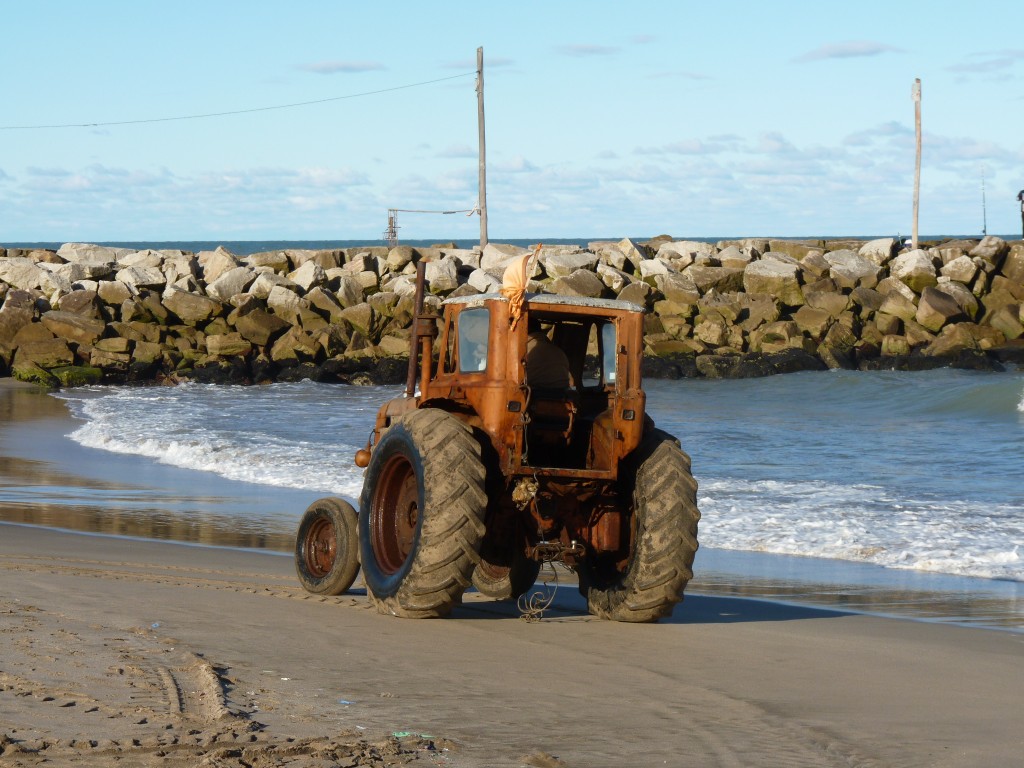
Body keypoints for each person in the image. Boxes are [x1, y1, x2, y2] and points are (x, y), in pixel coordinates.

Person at [525, 321, 572, 389]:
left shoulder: (522, 351)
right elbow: (571, 381)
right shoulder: (559, 351)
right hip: (562, 393)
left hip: (534, 393)